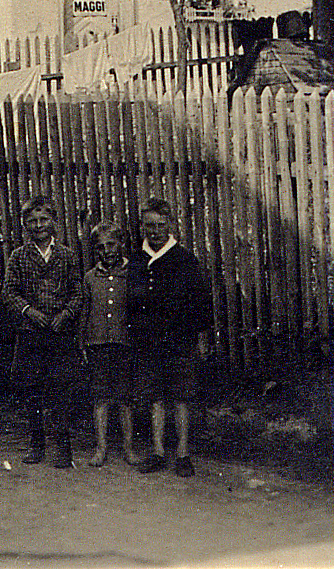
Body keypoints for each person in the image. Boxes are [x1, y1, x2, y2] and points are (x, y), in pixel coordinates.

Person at [128, 196, 212, 476]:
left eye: (160, 225)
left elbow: (201, 302)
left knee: (181, 397)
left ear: (170, 224)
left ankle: (183, 454)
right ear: (143, 226)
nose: (154, 231)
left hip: (180, 340)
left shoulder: (185, 259)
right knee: (155, 398)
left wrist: (200, 338)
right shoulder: (137, 260)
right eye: (149, 225)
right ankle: (157, 451)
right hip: (148, 343)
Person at [2, 195, 84, 468]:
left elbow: (78, 292)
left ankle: (63, 447)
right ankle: (37, 444)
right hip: (31, 334)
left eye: (44, 219)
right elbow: (9, 291)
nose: (38, 225)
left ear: (54, 222)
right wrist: (28, 311)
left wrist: (66, 315)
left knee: (60, 390)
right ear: (25, 225)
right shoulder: (19, 256)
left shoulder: (66, 254)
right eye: (32, 221)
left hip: (59, 333)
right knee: (32, 391)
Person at [79, 220, 136, 467]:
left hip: (124, 344)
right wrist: (82, 341)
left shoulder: (132, 274)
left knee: (124, 399)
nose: (107, 251)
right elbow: (84, 311)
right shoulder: (90, 278)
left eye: (111, 244)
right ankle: (101, 448)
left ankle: (129, 448)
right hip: (98, 344)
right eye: (100, 247)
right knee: (100, 398)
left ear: (121, 244)